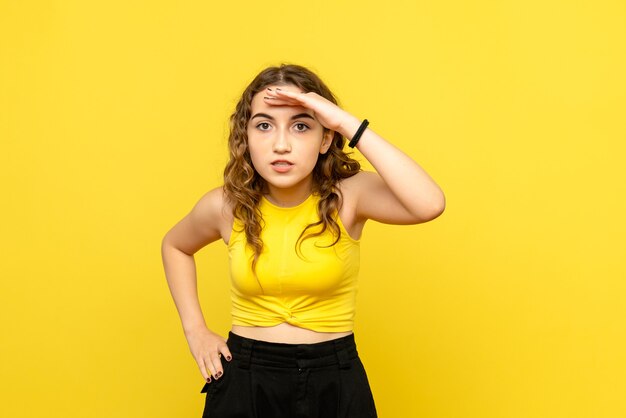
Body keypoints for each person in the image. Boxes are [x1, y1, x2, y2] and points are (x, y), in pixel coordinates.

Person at [161, 63, 445, 418]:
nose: (281, 144)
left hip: (334, 379)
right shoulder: (226, 205)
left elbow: (430, 204)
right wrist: (196, 331)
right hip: (246, 380)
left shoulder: (349, 196)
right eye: (264, 125)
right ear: (246, 137)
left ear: (325, 138)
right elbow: (175, 246)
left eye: (301, 126)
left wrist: (344, 122)